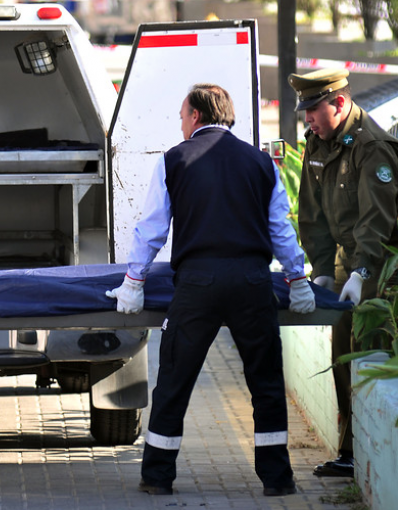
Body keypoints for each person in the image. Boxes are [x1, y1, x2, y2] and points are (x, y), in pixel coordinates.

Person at [106, 83, 317, 497]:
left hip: (198, 283)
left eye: (183, 116)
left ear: (197, 117)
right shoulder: (260, 163)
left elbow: (151, 229)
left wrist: (134, 280)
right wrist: (297, 278)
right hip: (253, 283)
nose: (180, 123)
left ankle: (158, 477)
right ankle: (277, 480)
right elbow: (280, 228)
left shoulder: (174, 160)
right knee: (267, 383)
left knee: (174, 379)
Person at [287, 68, 398, 478]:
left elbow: (376, 223)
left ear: (339, 103)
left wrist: (361, 274)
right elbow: (312, 216)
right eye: (305, 111)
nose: (307, 119)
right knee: (342, 354)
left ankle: (361, 452)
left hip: (389, 265)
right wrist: (324, 271)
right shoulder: (319, 142)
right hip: (353, 259)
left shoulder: (372, 147)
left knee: (371, 351)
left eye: (313, 110)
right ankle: (350, 450)